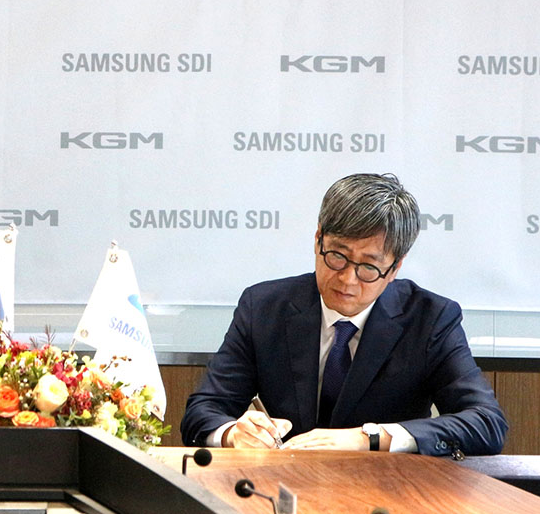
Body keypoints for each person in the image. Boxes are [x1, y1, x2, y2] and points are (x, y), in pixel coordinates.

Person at [180, 173, 507, 456]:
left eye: (368, 267)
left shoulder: (430, 319)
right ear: (318, 239)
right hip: (280, 486)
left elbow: (487, 423)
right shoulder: (264, 307)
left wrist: (371, 437)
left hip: (386, 490)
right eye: (337, 256)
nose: (348, 279)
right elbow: (203, 412)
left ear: (395, 268)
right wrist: (234, 433)